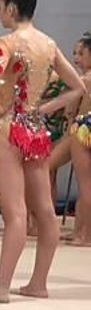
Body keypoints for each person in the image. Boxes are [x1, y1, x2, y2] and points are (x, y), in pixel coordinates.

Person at [0, 0, 86, 303]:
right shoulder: (48, 44)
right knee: (45, 211)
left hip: (6, 128)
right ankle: (38, 283)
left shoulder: (7, 43)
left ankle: (1, 287)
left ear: (11, 7)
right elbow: (78, 87)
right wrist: (44, 109)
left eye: (0, 8)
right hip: (34, 128)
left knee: (16, 213)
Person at [67, 35, 91, 245]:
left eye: (81, 54)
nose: (76, 58)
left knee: (85, 185)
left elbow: (69, 109)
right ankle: (82, 232)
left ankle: (85, 234)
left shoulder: (83, 81)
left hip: (84, 128)